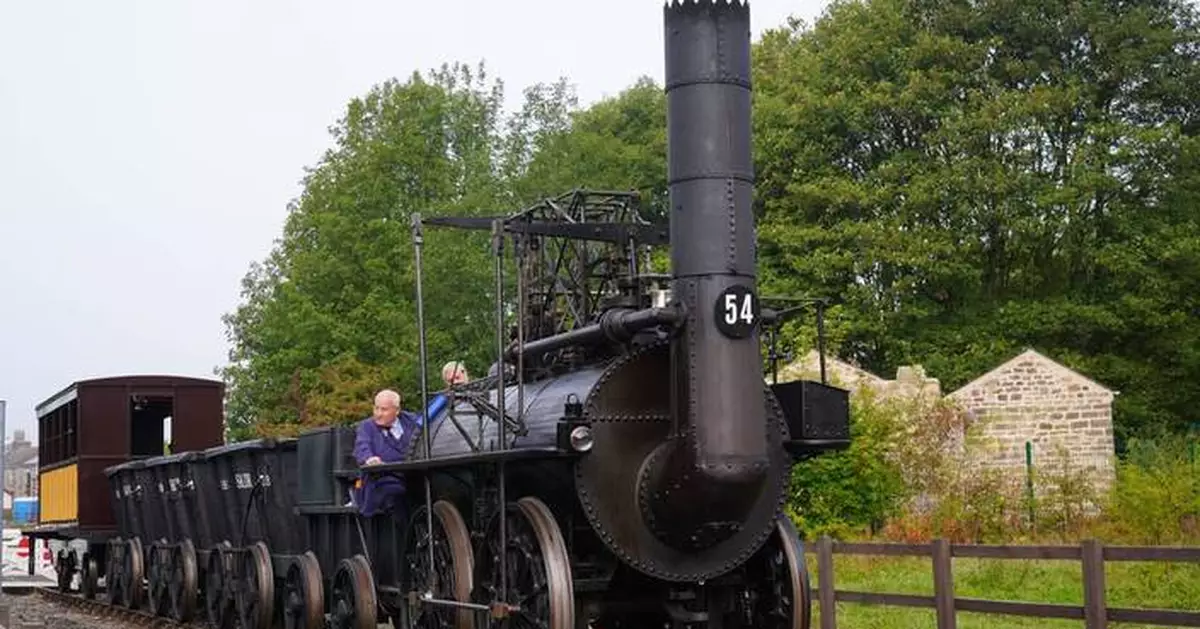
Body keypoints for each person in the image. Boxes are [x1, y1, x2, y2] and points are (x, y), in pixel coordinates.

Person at [352, 389, 420, 520]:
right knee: (397, 494)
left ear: (397, 410)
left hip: (414, 477)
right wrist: (369, 458)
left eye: (384, 410)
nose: (378, 414)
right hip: (382, 480)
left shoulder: (412, 421)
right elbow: (362, 447)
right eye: (376, 408)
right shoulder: (366, 427)